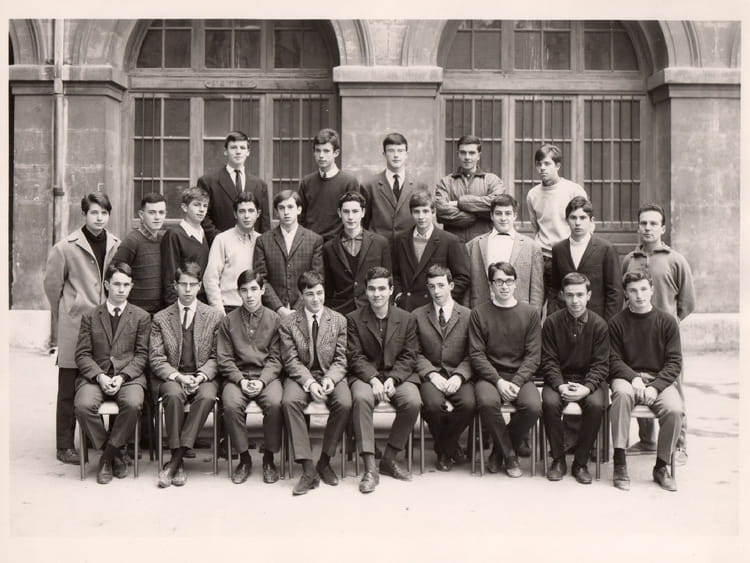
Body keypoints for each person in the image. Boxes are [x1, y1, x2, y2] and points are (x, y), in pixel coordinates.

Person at [43, 192, 120, 464]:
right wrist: (68, 310)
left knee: (100, 380)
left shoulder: (115, 244)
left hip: (105, 325)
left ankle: (98, 440)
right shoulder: (65, 247)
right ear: (84, 215)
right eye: (94, 213)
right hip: (75, 324)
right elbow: (52, 286)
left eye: (104, 213)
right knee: (68, 386)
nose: (99, 218)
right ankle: (64, 445)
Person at [622, 203, 695, 461]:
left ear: (663, 228)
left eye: (653, 223)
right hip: (635, 338)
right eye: (643, 223)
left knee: (673, 388)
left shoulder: (675, 260)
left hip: (665, 339)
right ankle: (646, 439)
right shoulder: (630, 260)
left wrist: (669, 324)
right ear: (638, 227)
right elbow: (624, 296)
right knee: (640, 384)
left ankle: (679, 444)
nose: (648, 228)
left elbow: (687, 302)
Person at [73, 262, 150, 484]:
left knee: (133, 404)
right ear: (107, 285)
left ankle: (107, 457)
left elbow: (142, 355)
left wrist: (123, 376)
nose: (121, 289)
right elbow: (82, 354)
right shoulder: (90, 316)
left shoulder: (141, 317)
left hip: (128, 378)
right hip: (96, 377)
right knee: (83, 406)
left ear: (132, 286)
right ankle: (114, 454)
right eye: (116, 284)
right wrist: (99, 376)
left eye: (126, 285)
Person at [150, 262, 224, 488]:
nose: (188, 290)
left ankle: (174, 462)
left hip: (203, 377)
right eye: (183, 284)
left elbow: (217, 356)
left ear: (200, 286)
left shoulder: (214, 316)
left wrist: (200, 377)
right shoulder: (161, 318)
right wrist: (179, 377)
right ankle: (178, 458)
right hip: (174, 377)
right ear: (175, 286)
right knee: (173, 396)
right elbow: (156, 358)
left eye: (193, 285)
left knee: (208, 396)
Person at [347, 266, 421, 494]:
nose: (376, 294)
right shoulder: (353, 319)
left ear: (391, 290)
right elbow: (354, 356)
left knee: (412, 401)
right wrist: (372, 379)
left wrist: (394, 379)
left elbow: (410, 355)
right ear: (365, 291)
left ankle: (389, 458)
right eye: (371, 289)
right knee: (361, 400)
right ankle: (370, 468)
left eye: (381, 289)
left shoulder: (407, 318)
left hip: (397, 375)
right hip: (365, 376)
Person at [608, 271, 683, 492]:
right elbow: (612, 359)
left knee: (674, 409)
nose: (639, 295)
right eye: (633, 290)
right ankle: (620, 462)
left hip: (658, 379)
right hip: (626, 377)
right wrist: (634, 378)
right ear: (625, 293)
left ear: (652, 290)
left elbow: (674, 362)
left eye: (643, 289)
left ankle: (661, 466)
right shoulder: (616, 322)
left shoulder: (667, 321)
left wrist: (656, 387)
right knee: (621, 396)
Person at [279, 271, 351, 496]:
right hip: (302, 375)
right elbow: (290, 360)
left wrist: (330, 378)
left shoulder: (338, 320)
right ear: (301, 295)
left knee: (345, 403)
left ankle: (325, 461)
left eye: (320, 293)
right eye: (310, 294)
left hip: (330, 374)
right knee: (289, 402)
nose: (316, 299)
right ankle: (308, 468)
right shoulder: (288, 322)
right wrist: (310, 383)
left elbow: (341, 358)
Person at [469, 262, 542, 477]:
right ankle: (509, 456)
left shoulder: (530, 313)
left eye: (509, 281)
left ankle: (498, 452)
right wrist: (498, 381)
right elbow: (476, 355)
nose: (504, 286)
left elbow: (534, 356)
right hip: (490, 377)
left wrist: (517, 382)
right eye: (499, 281)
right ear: (491, 284)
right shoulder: (479, 313)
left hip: (520, 376)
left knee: (533, 407)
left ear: (516, 283)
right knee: (487, 403)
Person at [541, 273, 609, 484]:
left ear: (589, 295)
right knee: (549, 403)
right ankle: (558, 459)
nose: (575, 300)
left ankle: (580, 462)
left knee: (596, 405)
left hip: (588, 380)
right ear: (562, 295)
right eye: (570, 295)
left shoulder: (599, 325)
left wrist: (587, 388)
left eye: (580, 294)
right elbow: (548, 360)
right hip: (560, 379)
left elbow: (601, 364)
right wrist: (560, 386)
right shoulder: (551, 323)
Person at [217, 269, 283, 485]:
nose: (250, 295)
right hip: (238, 376)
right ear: (238, 293)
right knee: (230, 404)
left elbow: (277, 357)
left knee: (275, 403)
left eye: (254, 289)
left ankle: (269, 459)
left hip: (266, 376)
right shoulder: (229, 320)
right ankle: (244, 459)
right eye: (244, 290)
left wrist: (263, 380)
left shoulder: (274, 319)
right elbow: (224, 358)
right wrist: (241, 380)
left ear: (262, 290)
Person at [413, 265, 475, 471]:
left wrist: (459, 376)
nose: (436, 291)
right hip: (431, 376)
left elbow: (473, 354)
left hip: (458, 374)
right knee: (431, 406)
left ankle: (444, 447)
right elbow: (414, 352)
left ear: (452, 285)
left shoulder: (468, 315)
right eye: (432, 286)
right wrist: (431, 374)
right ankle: (451, 449)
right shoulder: (417, 315)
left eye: (441, 285)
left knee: (469, 404)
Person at [392, 191, 470, 312]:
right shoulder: (400, 239)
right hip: (407, 307)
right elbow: (395, 273)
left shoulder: (450, 241)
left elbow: (462, 277)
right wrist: (399, 295)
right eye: (416, 212)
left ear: (433, 213)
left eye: (425, 211)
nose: (421, 217)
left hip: (434, 307)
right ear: (411, 213)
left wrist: (442, 298)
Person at [526, 143, 587, 296]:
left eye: (547, 163)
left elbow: (586, 224)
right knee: (537, 300)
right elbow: (535, 226)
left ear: (558, 165)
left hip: (568, 254)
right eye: (539, 164)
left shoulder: (573, 190)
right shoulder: (533, 194)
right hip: (542, 257)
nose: (542, 168)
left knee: (567, 299)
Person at [466, 194, 544, 312]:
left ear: (515, 215)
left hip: (519, 313)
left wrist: (534, 317)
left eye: (508, 213)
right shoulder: (473, 245)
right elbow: (467, 288)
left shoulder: (532, 247)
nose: (503, 218)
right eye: (498, 213)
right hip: (482, 311)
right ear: (491, 216)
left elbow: (536, 291)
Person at [548, 196, 622, 320]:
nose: (577, 223)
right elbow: (554, 288)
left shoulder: (605, 249)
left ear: (591, 220)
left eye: (582, 218)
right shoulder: (558, 250)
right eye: (573, 217)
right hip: (565, 319)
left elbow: (615, 292)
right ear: (567, 220)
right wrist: (552, 315)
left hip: (597, 320)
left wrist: (607, 324)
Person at [253, 189, 324, 317]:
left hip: (305, 310)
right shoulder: (263, 241)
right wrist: (279, 308)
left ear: (299, 210)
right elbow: (261, 279)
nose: (286, 212)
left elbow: (316, 278)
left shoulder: (314, 240)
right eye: (281, 208)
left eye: (290, 207)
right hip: (273, 312)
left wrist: (297, 308)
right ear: (276, 212)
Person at [323, 191, 391, 315]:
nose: (350, 217)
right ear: (339, 213)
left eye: (355, 211)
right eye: (346, 212)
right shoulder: (329, 247)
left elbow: (388, 280)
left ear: (363, 213)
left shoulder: (380, 243)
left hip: (372, 309)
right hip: (341, 311)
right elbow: (328, 287)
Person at [198, 130, 270, 242]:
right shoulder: (208, 182)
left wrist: (261, 245)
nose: (238, 152)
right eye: (233, 148)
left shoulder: (260, 185)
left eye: (242, 148)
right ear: (225, 151)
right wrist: (221, 240)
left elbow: (264, 223)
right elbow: (203, 217)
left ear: (248, 152)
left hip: (252, 245)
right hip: (220, 244)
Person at [360, 132, 429, 242]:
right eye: (391, 151)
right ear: (384, 154)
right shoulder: (369, 185)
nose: (396, 155)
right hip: (378, 247)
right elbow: (364, 221)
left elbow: (424, 217)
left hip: (409, 245)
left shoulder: (419, 185)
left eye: (400, 151)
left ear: (406, 154)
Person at [435, 134, 505, 242]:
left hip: (483, 244)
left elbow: (497, 206)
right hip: (454, 245)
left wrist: (460, 203)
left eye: (472, 153)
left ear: (478, 155)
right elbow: (441, 211)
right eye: (463, 153)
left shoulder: (492, 181)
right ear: (458, 154)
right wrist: (474, 216)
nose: (467, 157)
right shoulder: (446, 182)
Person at [203, 192, 262, 314]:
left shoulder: (262, 240)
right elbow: (210, 279)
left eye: (251, 211)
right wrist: (219, 312)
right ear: (235, 214)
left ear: (258, 213)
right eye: (242, 211)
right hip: (229, 307)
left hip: (257, 309)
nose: (246, 216)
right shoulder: (222, 239)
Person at [298, 128, 359, 242]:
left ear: (336, 153)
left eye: (326, 151)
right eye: (318, 151)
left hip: (338, 244)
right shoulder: (307, 182)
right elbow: (300, 216)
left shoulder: (349, 182)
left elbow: (353, 217)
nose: (321, 155)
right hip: (310, 243)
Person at [113, 192, 167, 315]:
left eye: (161, 212)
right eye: (152, 212)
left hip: (160, 312)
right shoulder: (132, 241)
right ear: (141, 215)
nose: (157, 217)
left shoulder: (164, 240)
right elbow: (114, 274)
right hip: (136, 313)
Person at [161, 186, 210, 306]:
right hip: (181, 302)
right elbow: (170, 275)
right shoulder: (174, 234)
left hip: (201, 301)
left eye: (205, 206)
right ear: (184, 207)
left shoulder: (204, 235)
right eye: (196, 205)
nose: (201, 210)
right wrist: (173, 308)